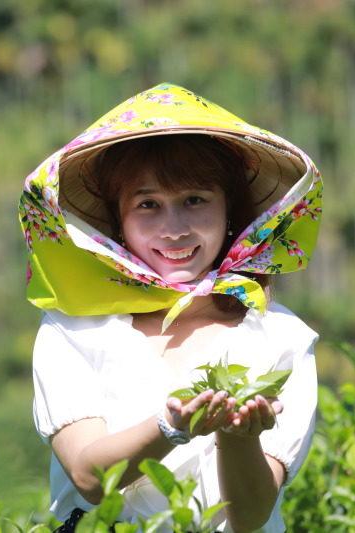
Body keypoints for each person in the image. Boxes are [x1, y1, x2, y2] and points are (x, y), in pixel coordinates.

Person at [20, 83, 323, 532]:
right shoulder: (74, 329)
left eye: (194, 201)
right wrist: (171, 425)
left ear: (231, 214)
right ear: (118, 222)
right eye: (148, 205)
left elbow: (251, 516)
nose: (174, 228)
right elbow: (88, 477)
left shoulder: (280, 339)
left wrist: (237, 438)